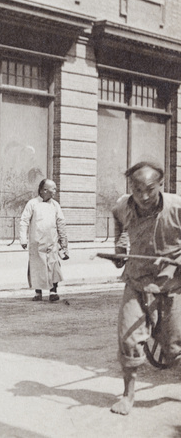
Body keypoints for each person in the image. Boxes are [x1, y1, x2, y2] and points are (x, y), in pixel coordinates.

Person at [109, 161, 181, 415]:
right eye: (137, 189)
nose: (143, 196)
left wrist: (175, 262)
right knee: (128, 339)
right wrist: (120, 250)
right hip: (137, 282)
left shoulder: (177, 207)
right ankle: (128, 396)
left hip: (172, 285)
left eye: (150, 189)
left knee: (173, 349)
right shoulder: (123, 205)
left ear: (161, 184)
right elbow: (119, 223)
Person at [19, 179, 69, 302]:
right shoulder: (32, 204)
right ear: (44, 190)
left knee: (54, 267)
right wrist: (23, 239)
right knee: (37, 267)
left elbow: (61, 224)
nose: (55, 191)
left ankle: (53, 292)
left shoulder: (55, 205)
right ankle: (38, 293)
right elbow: (24, 221)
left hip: (52, 243)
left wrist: (63, 243)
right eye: (54, 189)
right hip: (36, 243)